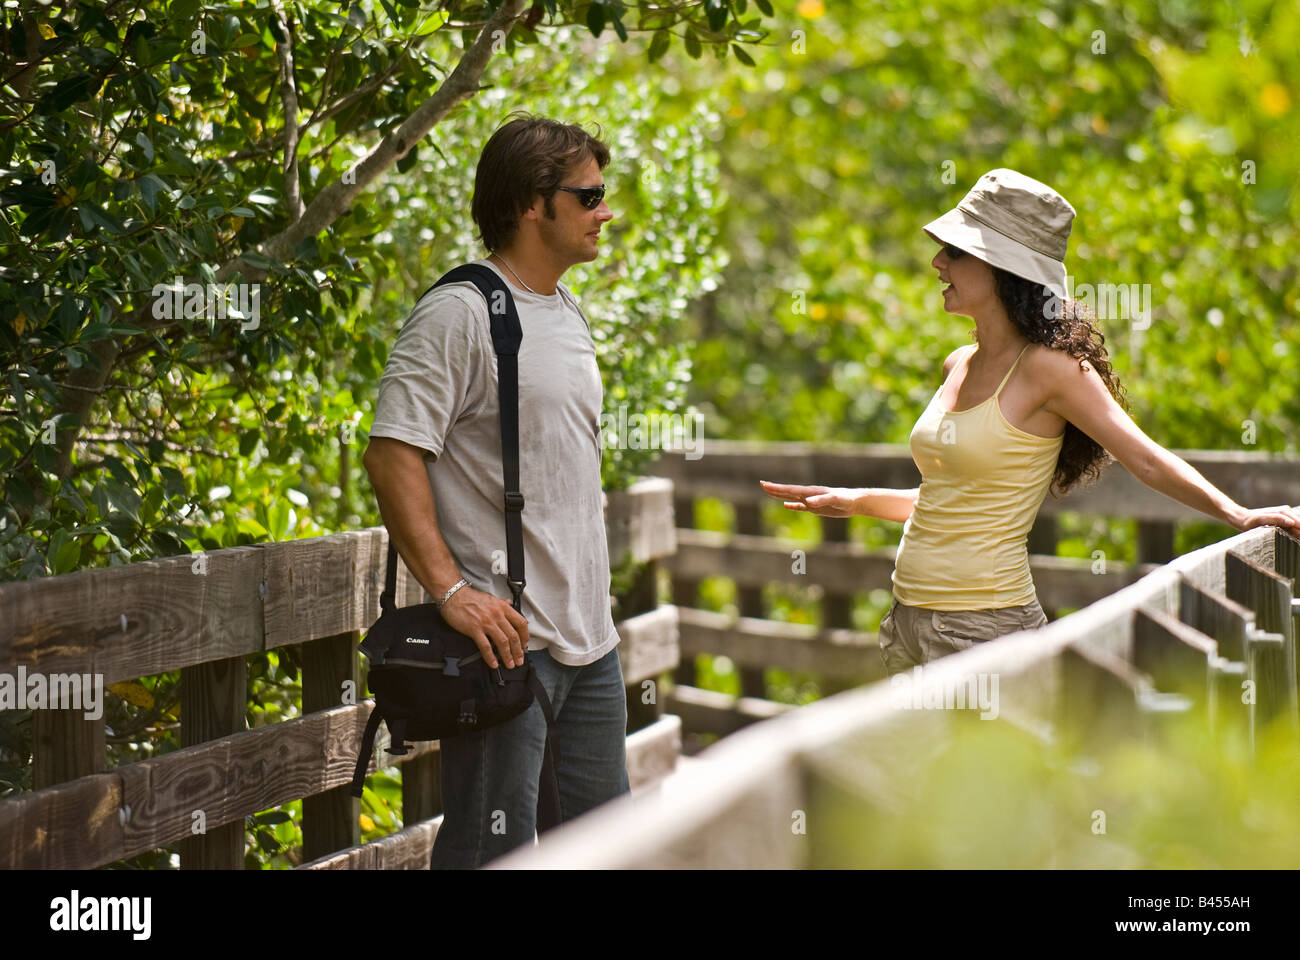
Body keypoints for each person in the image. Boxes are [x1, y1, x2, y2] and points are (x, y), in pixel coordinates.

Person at [760, 168, 1300, 676]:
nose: (936, 264)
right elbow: (948, 502)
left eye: (952, 252)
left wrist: (1237, 514)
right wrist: (854, 501)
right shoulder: (957, 362)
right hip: (906, 622)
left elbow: (1144, 458)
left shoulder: (1051, 372)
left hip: (982, 630)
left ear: (1000, 268)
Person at [362, 113, 628, 867]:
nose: (606, 211)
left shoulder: (566, 310)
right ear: (529, 204)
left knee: (612, 848)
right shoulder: (460, 313)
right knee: (490, 853)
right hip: (511, 649)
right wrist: (451, 593)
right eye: (589, 196)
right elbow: (391, 454)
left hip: (591, 644)